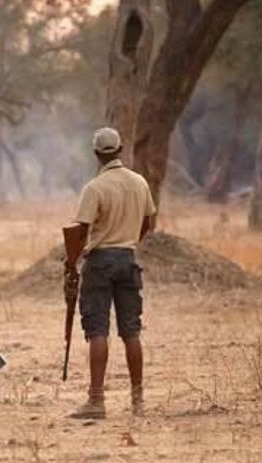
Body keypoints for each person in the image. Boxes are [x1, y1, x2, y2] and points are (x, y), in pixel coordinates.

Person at [65, 127, 157, 420]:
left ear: (96, 154)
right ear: (119, 150)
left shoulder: (95, 187)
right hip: (128, 260)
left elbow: (80, 230)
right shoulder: (139, 182)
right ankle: (138, 401)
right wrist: (130, 241)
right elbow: (148, 221)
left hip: (100, 262)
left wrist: (72, 260)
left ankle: (96, 400)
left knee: (97, 331)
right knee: (131, 331)